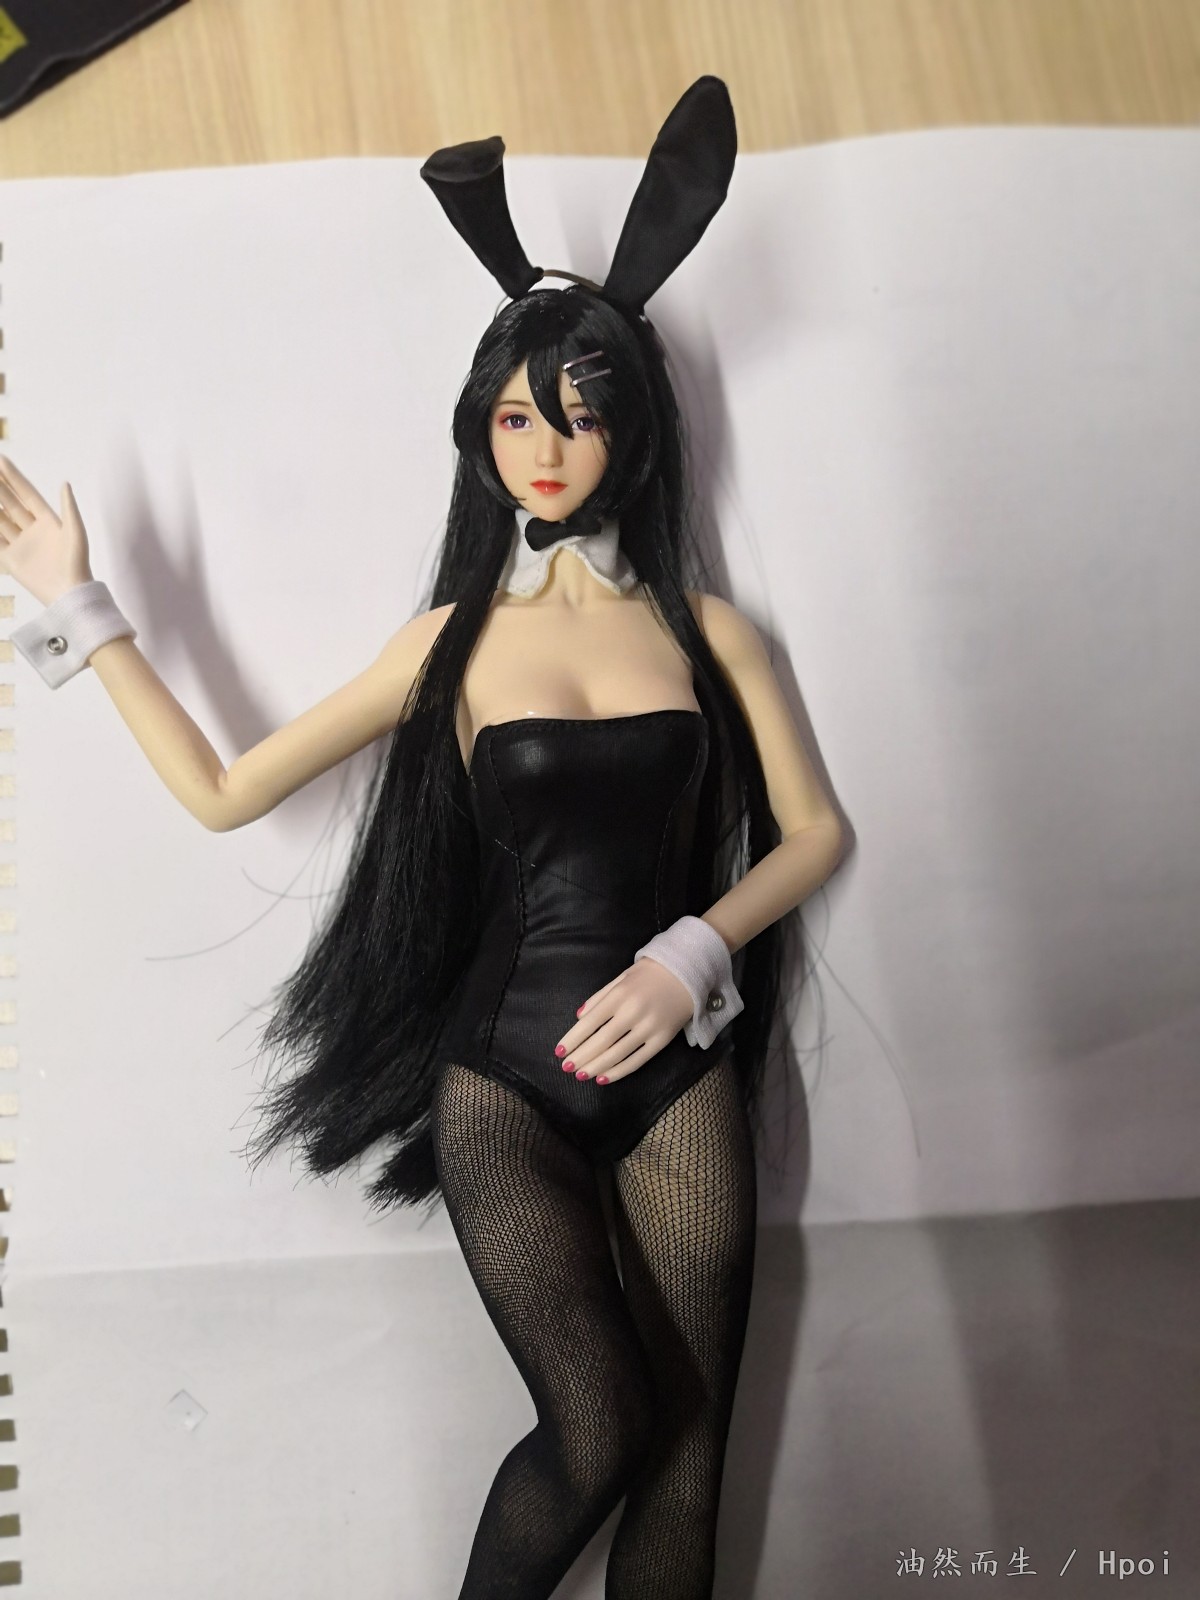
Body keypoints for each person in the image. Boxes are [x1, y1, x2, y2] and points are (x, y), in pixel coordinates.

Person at [0, 77, 844, 1600]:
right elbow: (226, 790)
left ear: (632, 432)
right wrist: (82, 610)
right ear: (480, 430)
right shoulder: (445, 645)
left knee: (691, 1454)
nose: (548, 447)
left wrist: (693, 949)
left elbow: (814, 832)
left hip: (679, 1059)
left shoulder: (711, 632)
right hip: (505, 1078)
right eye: (519, 415)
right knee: (601, 1429)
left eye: (580, 413)